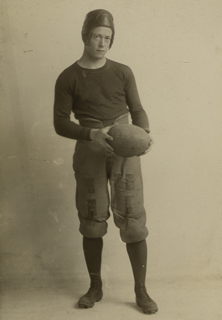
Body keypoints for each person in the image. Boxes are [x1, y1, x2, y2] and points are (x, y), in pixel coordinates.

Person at [53, 9, 158, 315]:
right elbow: (60, 123)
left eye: (107, 38)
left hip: (124, 147)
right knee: (91, 217)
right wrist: (92, 133)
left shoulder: (123, 71)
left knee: (133, 216)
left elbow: (137, 109)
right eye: (97, 36)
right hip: (89, 148)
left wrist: (144, 135)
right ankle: (95, 287)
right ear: (86, 36)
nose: (102, 43)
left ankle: (141, 291)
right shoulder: (68, 76)